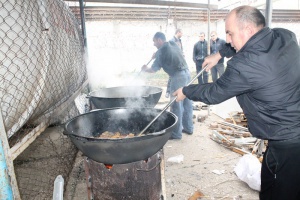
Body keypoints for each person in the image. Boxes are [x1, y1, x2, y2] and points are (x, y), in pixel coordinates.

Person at [174, 5, 300, 200]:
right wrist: (219, 54)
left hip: (288, 144)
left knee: (278, 194)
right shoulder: (285, 36)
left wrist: (185, 91)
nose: (229, 39)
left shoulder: (245, 65)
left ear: (248, 30)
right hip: (287, 134)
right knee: (270, 183)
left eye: (230, 34)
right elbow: (253, 45)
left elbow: (214, 93)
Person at [142, 32, 193, 140]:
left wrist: (145, 69)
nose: (154, 44)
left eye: (154, 41)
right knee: (187, 102)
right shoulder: (172, 43)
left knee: (176, 105)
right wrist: (157, 53)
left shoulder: (161, 52)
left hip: (178, 77)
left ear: (159, 40)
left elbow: (153, 70)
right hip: (187, 73)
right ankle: (188, 128)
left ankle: (176, 134)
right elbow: (170, 49)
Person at [165, 28, 184, 98]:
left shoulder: (179, 41)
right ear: (178, 32)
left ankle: (177, 91)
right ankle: (168, 92)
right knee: (171, 77)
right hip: (173, 62)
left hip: (179, 62)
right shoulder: (171, 41)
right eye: (181, 33)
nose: (182, 34)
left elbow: (181, 50)